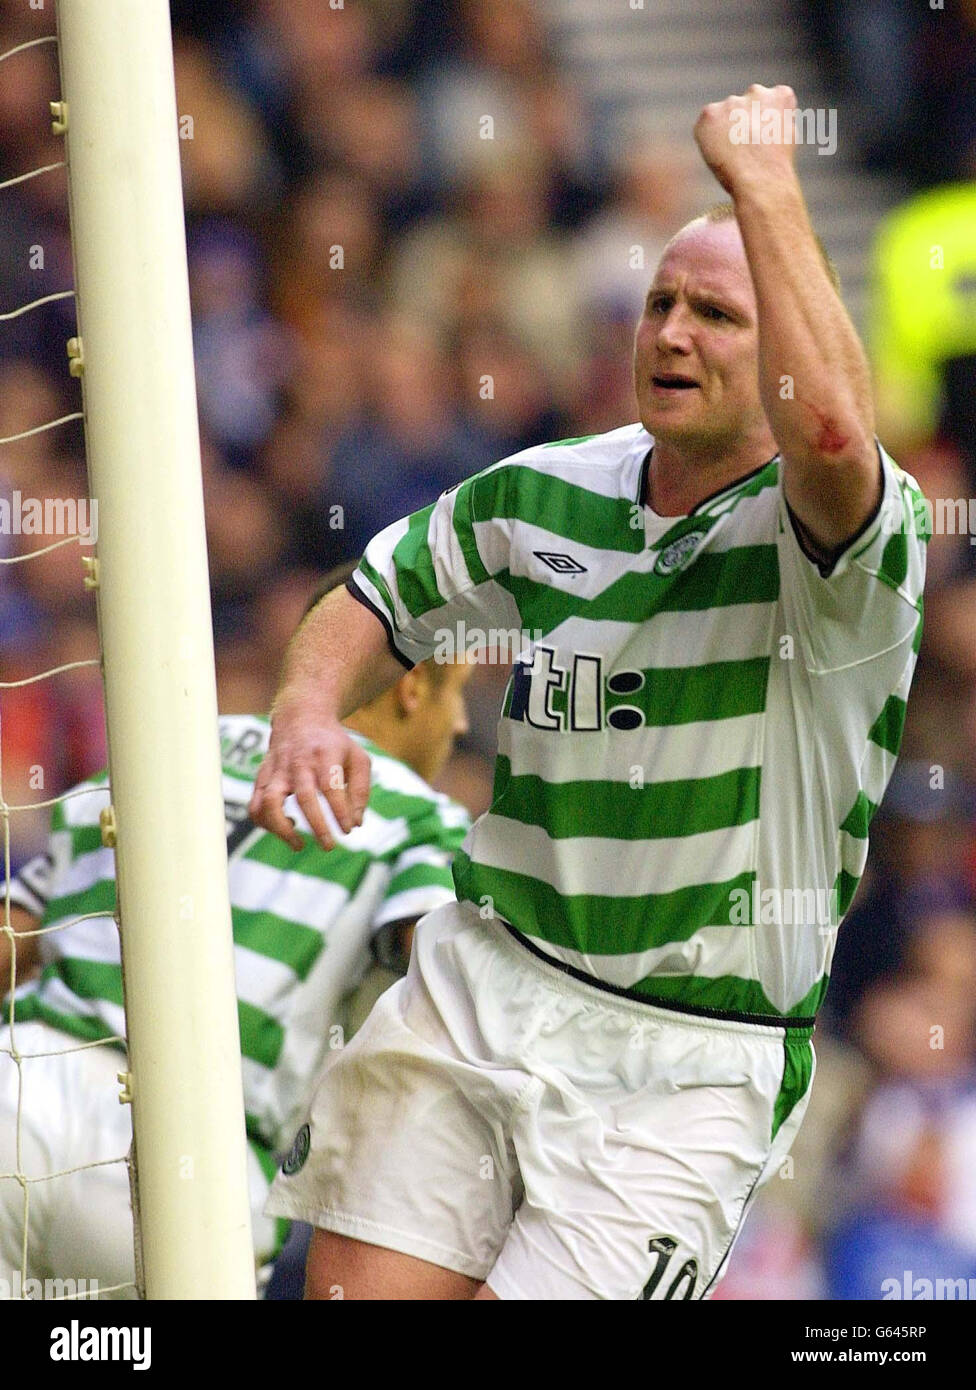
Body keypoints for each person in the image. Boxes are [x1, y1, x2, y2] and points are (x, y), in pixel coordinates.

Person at [251, 86, 928, 1301]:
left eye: (717, 314)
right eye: (661, 302)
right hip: (487, 978)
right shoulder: (548, 491)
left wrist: (765, 183)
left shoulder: (849, 542)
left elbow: (829, 432)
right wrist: (306, 706)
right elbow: (373, 593)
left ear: (787, 343)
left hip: (688, 1055)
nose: (671, 332)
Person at [0, 566, 473, 1298]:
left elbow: (15, 936)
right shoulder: (418, 816)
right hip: (186, 1156)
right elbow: (438, 973)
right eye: (459, 695)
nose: (464, 724)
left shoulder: (158, 749)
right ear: (413, 689)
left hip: (22, 1090)